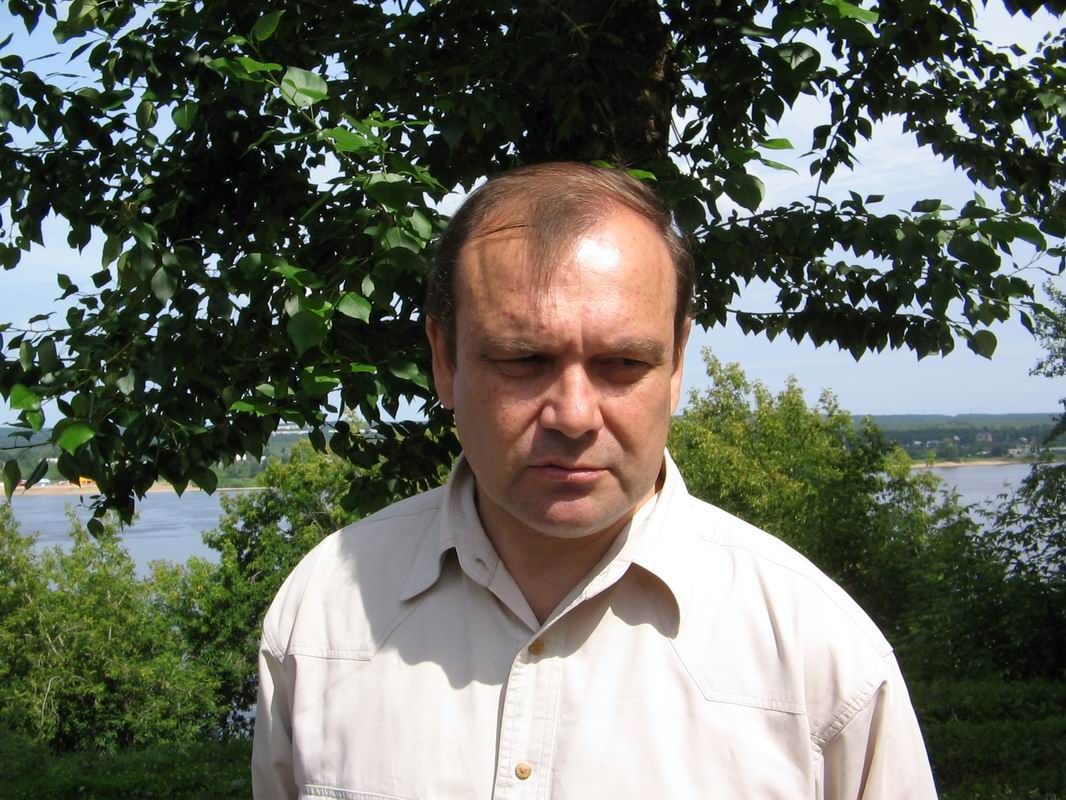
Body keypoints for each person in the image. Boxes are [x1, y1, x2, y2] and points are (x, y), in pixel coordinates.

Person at [252, 162, 938, 799]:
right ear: (444, 360)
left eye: (623, 364)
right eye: (523, 360)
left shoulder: (821, 657)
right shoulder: (323, 614)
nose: (575, 416)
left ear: (677, 365)